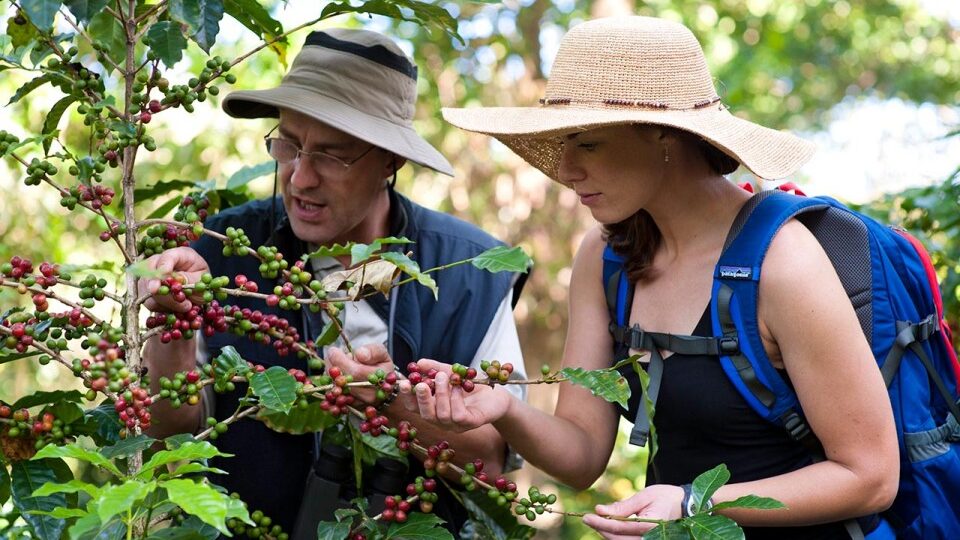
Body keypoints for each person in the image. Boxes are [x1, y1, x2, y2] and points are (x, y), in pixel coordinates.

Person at [403, 16, 900, 539]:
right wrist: (503, 408)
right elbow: (581, 455)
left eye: (585, 143)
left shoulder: (783, 262)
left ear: (664, 134)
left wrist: (692, 503)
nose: (565, 168)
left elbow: (870, 477)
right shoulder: (607, 257)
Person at [140, 28, 528, 535]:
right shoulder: (220, 253)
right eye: (289, 145)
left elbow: (492, 460)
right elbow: (170, 437)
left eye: (332, 154)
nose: (300, 178)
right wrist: (172, 327)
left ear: (391, 160)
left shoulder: (468, 271)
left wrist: (394, 405)